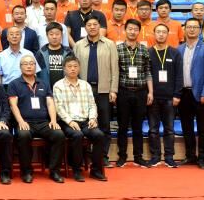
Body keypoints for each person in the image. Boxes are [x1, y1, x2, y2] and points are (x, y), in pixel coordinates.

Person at [8, 55, 65, 183]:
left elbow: (50, 103)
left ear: (35, 66)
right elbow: (13, 105)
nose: (29, 66)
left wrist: (53, 120)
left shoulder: (43, 83)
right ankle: (26, 171)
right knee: (23, 135)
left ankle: (54, 171)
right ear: (20, 67)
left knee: (59, 134)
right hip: (25, 122)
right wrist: (21, 121)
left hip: (44, 122)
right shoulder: (14, 84)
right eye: (25, 64)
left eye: (31, 63)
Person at [71, 17, 119, 165]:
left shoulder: (110, 44)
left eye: (95, 24)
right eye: (89, 25)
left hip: (104, 90)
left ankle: (102, 157)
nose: (92, 27)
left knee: (104, 125)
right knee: (85, 124)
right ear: (85, 27)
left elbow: (115, 69)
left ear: (100, 26)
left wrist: (113, 90)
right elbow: (74, 68)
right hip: (84, 91)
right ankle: (85, 157)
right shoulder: (78, 45)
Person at [52, 56, 108, 182]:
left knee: (99, 135)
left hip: (85, 121)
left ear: (79, 68)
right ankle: (77, 170)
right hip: (67, 122)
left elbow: (92, 104)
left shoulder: (85, 85)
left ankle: (96, 170)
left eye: (75, 66)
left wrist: (92, 118)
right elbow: (58, 107)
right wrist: (70, 121)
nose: (73, 69)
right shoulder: (58, 86)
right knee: (77, 135)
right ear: (64, 69)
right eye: (69, 66)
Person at [176, 18, 204, 169]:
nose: (191, 29)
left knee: (202, 128)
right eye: (189, 27)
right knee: (186, 127)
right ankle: (190, 156)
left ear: (199, 30)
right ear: (184, 29)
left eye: (195, 27)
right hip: (184, 94)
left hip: (200, 94)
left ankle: (203, 158)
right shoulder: (179, 49)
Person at [116, 19, 151, 168]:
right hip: (123, 92)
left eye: (135, 29)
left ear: (139, 31)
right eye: (130, 29)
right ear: (125, 30)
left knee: (138, 126)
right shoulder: (117, 49)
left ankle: (138, 156)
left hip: (141, 92)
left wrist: (151, 92)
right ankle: (122, 156)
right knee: (122, 126)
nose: (132, 32)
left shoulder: (144, 49)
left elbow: (148, 72)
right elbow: (115, 72)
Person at [147, 24, 181, 168]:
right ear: (154, 34)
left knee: (169, 129)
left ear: (168, 34)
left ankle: (169, 156)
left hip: (169, 97)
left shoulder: (175, 53)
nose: (161, 34)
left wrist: (177, 94)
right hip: (153, 97)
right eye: (158, 32)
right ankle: (155, 156)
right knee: (153, 129)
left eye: (164, 32)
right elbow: (146, 75)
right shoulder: (148, 52)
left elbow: (179, 75)